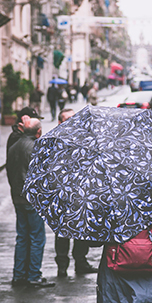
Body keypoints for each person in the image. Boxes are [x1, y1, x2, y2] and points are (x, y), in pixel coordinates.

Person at [6, 117, 55, 288]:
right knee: (37, 238)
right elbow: (43, 176)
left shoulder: (13, 147)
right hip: (32, 200)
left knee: (22, 237)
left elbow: (10, 173)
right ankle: (34, 275)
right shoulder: (36, 148)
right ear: (38, 132)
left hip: (18, 198)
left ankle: (19, 275)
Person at [54, 108, 98, 277]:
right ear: (60, 122)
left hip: (82, 194)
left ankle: (81, 262)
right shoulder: (56, 142)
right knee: (62, 233)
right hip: (63, 195)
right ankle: (62, 266)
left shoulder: (85, 139)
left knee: (82, 230)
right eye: (68, 119)